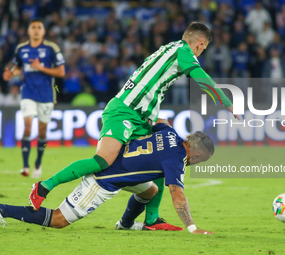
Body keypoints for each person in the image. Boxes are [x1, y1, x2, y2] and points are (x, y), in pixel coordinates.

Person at [28, 22, 240, 229]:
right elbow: (201, 78)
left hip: (141, 116)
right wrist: (227, 103)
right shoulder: (183, 52)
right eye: (204, 48)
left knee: (163, 157)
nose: (201, 53)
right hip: (125, 111)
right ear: (200, 44)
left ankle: (151, 219)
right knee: (103, 160)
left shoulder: (170, 47)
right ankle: (44, 186)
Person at [1, 122, 214, 235]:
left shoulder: (169, 133)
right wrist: (192, 227)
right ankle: (3, 210)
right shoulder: (177, 160)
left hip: (113, 158)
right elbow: (177, 194)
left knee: (150, 190)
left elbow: (159, 121)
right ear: (195, 154)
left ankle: (125, 224)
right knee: (59, 220)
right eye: (200, 160)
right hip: (103, 181)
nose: (197, 162)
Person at [2, 18, 65, 178]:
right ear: (29, 31)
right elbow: (19, 69)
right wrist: (10, 73)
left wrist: (41, 67)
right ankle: (25, 165)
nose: (36, 30)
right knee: (28, 126)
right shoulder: (21, 49)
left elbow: (61, 72)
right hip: (28, 93)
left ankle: (38, 162)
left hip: (46, 95)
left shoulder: (51, 48)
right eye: (33, 27)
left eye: (39, 27)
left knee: (42, 132)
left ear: (43, 31)